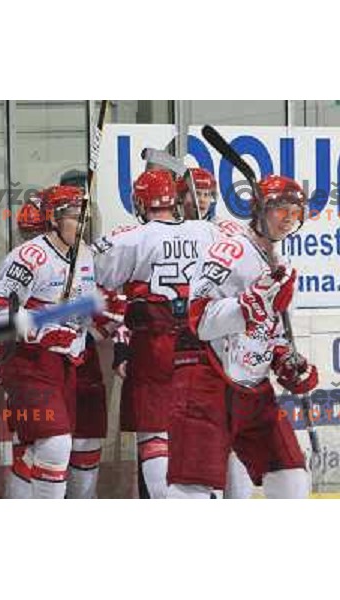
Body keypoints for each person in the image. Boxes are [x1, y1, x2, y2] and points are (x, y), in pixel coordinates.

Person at [167, 175, 316, 499]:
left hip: (251, 388)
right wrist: (248, 305)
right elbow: (201, 321)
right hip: (204, 376)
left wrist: (284, 359)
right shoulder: (229, 250)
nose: (289, 217)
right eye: (280, 208)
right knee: (194, 485)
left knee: (290, 476)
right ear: (259, 208)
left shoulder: (280, 263)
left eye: (295, 209)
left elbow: (269, 327)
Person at [93, 169, 219, 498]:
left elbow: (100, 276)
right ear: (175, 200)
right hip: (200, 340)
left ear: (140, 202)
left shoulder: (132, 238)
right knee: (197, 431)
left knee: (154, 435)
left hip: (154, 341)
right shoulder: (206, 231)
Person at [0, 185, 96, 499]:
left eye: (84, 217)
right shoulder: (30, 257)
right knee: (56, 443)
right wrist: (41, 330)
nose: (82, 224)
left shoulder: (84, 255)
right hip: (29, 364)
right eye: (75, 217)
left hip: (65, 366)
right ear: (53, 219)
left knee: (36, 451)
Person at [176, 166, 253, 499]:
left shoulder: (229, 230)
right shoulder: (168, 232)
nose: (202, 200)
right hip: (183, 337)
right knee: (194, 432)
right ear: (178, 199)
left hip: (225, 339)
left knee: (236, 432)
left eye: (208, 194)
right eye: (196, 193)